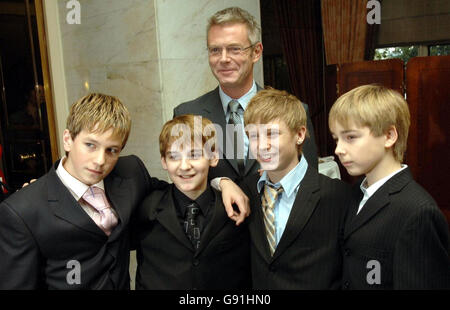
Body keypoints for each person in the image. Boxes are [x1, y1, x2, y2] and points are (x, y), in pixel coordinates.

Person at [0, 93, 246, 289]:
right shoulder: (22, 211)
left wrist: (222, 182)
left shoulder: (130, 174)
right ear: (67, 139)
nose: (99, 160)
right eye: (90, 145)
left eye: (112, 150)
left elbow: (178, 192)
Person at [174, 7, 318, 185]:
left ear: (256, 52)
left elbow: (311, 185)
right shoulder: (188, 114)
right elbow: (183, 184)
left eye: (234, 49)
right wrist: (220, 183)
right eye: (215, 50)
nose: (224, 58)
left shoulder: (295, 112)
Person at [329, 84, 450, 289]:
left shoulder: (417, 212)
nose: (339, 149)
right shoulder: (354, 195)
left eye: (350, 137)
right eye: (336, 138)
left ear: (389, 136)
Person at [241, 88, 351, 289]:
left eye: (272, 134)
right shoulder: (246, 192)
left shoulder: (338, 196)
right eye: (254, 136)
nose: (262, 145)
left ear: (299, 134)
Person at [134, 114, 251, 289]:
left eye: (194, 155)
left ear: (213, 157)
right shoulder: (147, 207)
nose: (184, 166)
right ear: (164, 162)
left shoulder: (236, 208)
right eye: (174, 157)